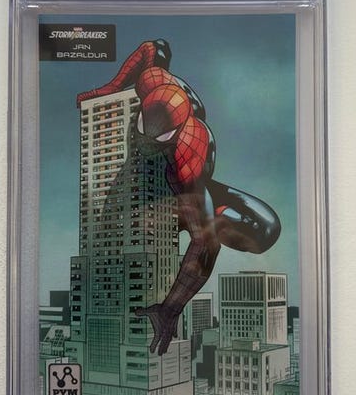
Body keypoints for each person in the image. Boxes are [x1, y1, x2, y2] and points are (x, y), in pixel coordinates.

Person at [77, 40, 281, 355]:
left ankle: (182, 216)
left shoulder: (190, 160)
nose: (148, 139)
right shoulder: (152, 79)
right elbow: (154, 48)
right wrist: (108, 89)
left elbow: (206, 244)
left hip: (183, 190)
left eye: (158, 138)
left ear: (173, 135)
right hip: (159, 185)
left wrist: (170, 308)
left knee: (265, 229)